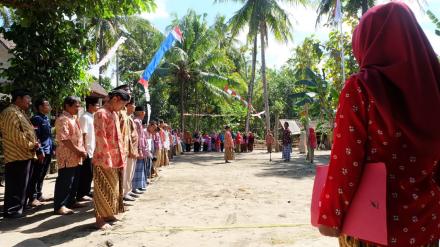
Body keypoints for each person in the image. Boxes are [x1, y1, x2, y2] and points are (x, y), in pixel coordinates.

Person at [317, 3, 440, 247]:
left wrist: (330, 217)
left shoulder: (361, 89)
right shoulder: (435, 90)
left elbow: (345, 163)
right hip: (426, 227)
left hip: (376, 230)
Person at [93, 89, 130, 230]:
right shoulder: (101, 114)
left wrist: (121, 157)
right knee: (101, 189)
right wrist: (107, 158)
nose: (122, 107)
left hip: (116, 158)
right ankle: (99, 219)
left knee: (112, 189)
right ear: (115, 99)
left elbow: (118, 137)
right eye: (122, 104)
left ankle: (108, 214)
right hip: (104, 159)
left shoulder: (114, 114)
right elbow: (101, 137)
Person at [0, 89, 39, 218]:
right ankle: (12, 211)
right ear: (18, 99)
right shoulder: (10, 112)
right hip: (16, 155)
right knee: (16, 184)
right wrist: (31, 145)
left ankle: (18, 209)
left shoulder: (20, 112)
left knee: (22, 184)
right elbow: (15, 135)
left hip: (25, 154)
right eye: (28, 98)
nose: (30, 101)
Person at [53, 96, 88, 215]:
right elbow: (65, 139)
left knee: (74, 180)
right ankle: (60, 206)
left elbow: (79, 137)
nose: (78, 109)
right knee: (65, 181)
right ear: (67, 106)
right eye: (76, 106)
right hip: (67, 155)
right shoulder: (63, 119)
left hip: (76, 155)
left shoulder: (73, 118)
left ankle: (71, 201)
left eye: (78, 106)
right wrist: (79, 151)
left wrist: (81, 150)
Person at [28, 98, 54, 207]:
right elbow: (35, 137)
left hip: (48, 150)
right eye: (47, 105)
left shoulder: (45, 118)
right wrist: (39, 151)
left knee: (42, 174)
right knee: (36, 175)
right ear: (40, 107)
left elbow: (48, 136)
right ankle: (32, 198)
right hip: (41, 152)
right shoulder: (36, 119)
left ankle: (39, 194)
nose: (49, 107)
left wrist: (53, 148)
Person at [77, 96, 99, 202]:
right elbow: (83, 134)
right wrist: (84, 149)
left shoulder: (92, 116)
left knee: (90, 173)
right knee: (86, 172)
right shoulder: (84, 117)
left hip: (93, 148)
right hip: (87, 149)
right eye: (97, 105)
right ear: (90, 105)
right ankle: (81, 193)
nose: (98, 107)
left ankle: (86, 191)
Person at [122, 99, 140, 201]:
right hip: (128, 151)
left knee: (130, 172)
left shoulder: (130, 117)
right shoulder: (124, 117)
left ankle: (128, 191)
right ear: (127, 105)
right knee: (127, 172)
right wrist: (130, 150)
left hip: (133, 149)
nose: (134, 107)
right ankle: (125, 193)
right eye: (133, 105)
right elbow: (126, 136)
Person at [132, 106, 147, 192]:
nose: (144, 114)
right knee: (136, 168)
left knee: (140, 167)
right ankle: (134, 187)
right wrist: (139, 149)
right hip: (138, 148)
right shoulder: (136, 121)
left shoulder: (138, 121)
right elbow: (137, 137)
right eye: (144, 112)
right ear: (141, 112)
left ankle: (139, 185)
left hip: (140, 147)